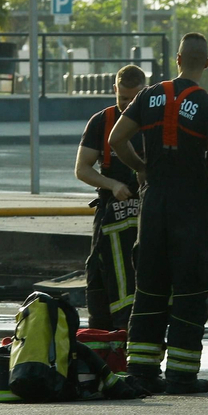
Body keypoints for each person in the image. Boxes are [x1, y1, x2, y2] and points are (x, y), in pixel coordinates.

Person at [108, 32, 208, 395]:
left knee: (149, 284)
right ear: (205, 64)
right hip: (191, 204)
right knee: (189, 286)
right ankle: (181, 374)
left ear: (177, 59)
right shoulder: (207, 104)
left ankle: (143, 370)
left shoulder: (149, 96)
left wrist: (142, 168)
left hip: (154, 202)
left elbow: (116, 139)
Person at [73, 64, 147, 330]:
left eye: (134, 99)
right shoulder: (101, 122)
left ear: (145, 92)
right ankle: (102, 340)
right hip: (108, 213)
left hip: (146, 216)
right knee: (98, 275)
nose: (127, 105)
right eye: (123, 98)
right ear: (115, 90)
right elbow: (82, 169)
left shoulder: (155, 121)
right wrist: (112, 185)